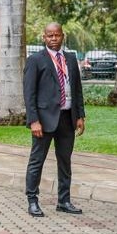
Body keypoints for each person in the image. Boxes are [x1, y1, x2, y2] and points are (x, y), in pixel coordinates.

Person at [23, 22, 86, 217]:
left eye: (57, 35)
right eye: (49, 35)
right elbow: (29, 94)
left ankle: (64, 201)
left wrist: (80, 115)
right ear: (44, 37)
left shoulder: (70, 58)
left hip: (67, 118)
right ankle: (32, 201)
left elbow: (77, 89)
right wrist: (33, 120)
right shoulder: (35, 60)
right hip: (44, 120)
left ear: (62, 36)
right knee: (37, 161)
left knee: (65, 161)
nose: (53, 38)